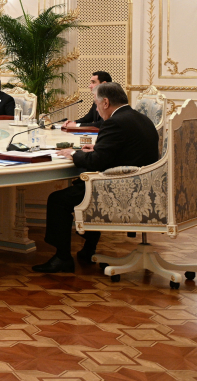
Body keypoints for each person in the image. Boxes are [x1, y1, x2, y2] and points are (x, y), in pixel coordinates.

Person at [33, 83, 160, 273]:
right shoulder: (140, 118)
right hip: (144, 186)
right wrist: (97, 148)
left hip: (120, 188)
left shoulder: (114, 122)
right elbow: (127, 149)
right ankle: (88, 249)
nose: (97, 109)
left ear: (106, 102)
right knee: (77, 190)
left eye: (96, 103)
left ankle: (62, 258)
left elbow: (96, 162)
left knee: (58, 200)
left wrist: (73, 154)